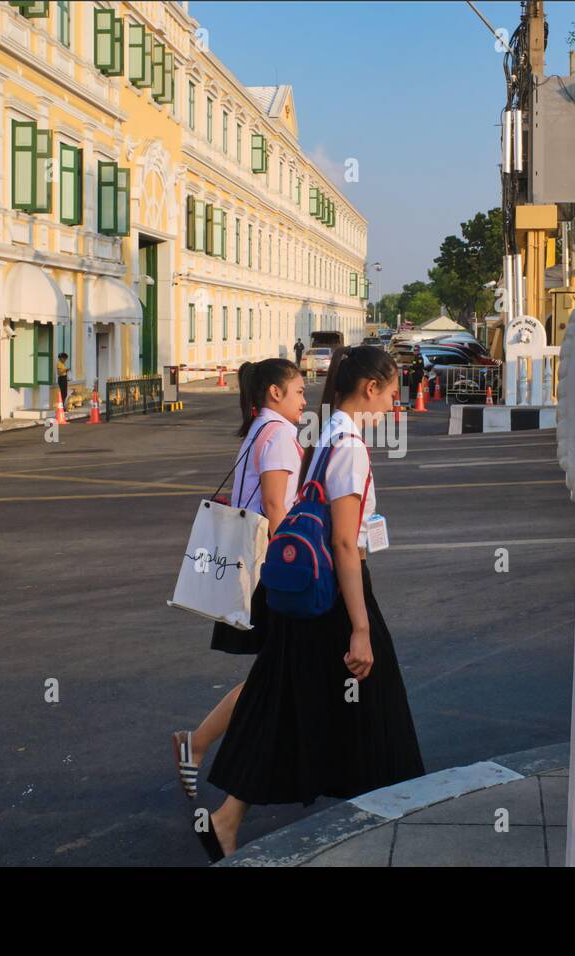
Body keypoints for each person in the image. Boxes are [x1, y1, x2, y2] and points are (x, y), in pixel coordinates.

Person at [202, 345, 424, 860]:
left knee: (301, 703)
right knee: (375, 700)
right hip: (336, 593)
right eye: (392, 394)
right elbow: (346, 543)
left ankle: (228, 818)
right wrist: (361, 626)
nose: (394, 406)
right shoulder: (349, 448)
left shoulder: (325, 437)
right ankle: (396, 817)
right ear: (370, 389)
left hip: (309, 592)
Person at [171, 358, 306, 804]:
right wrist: (298, 561)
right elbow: (274, 505)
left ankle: (208, 747)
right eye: (300, 391)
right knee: (278, 672)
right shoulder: (282, 434)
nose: (306, 400)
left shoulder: (258, 431)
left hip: (251, 564)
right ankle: (208, 750)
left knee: (278, 671)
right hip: (270, 569)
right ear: (275, 393)